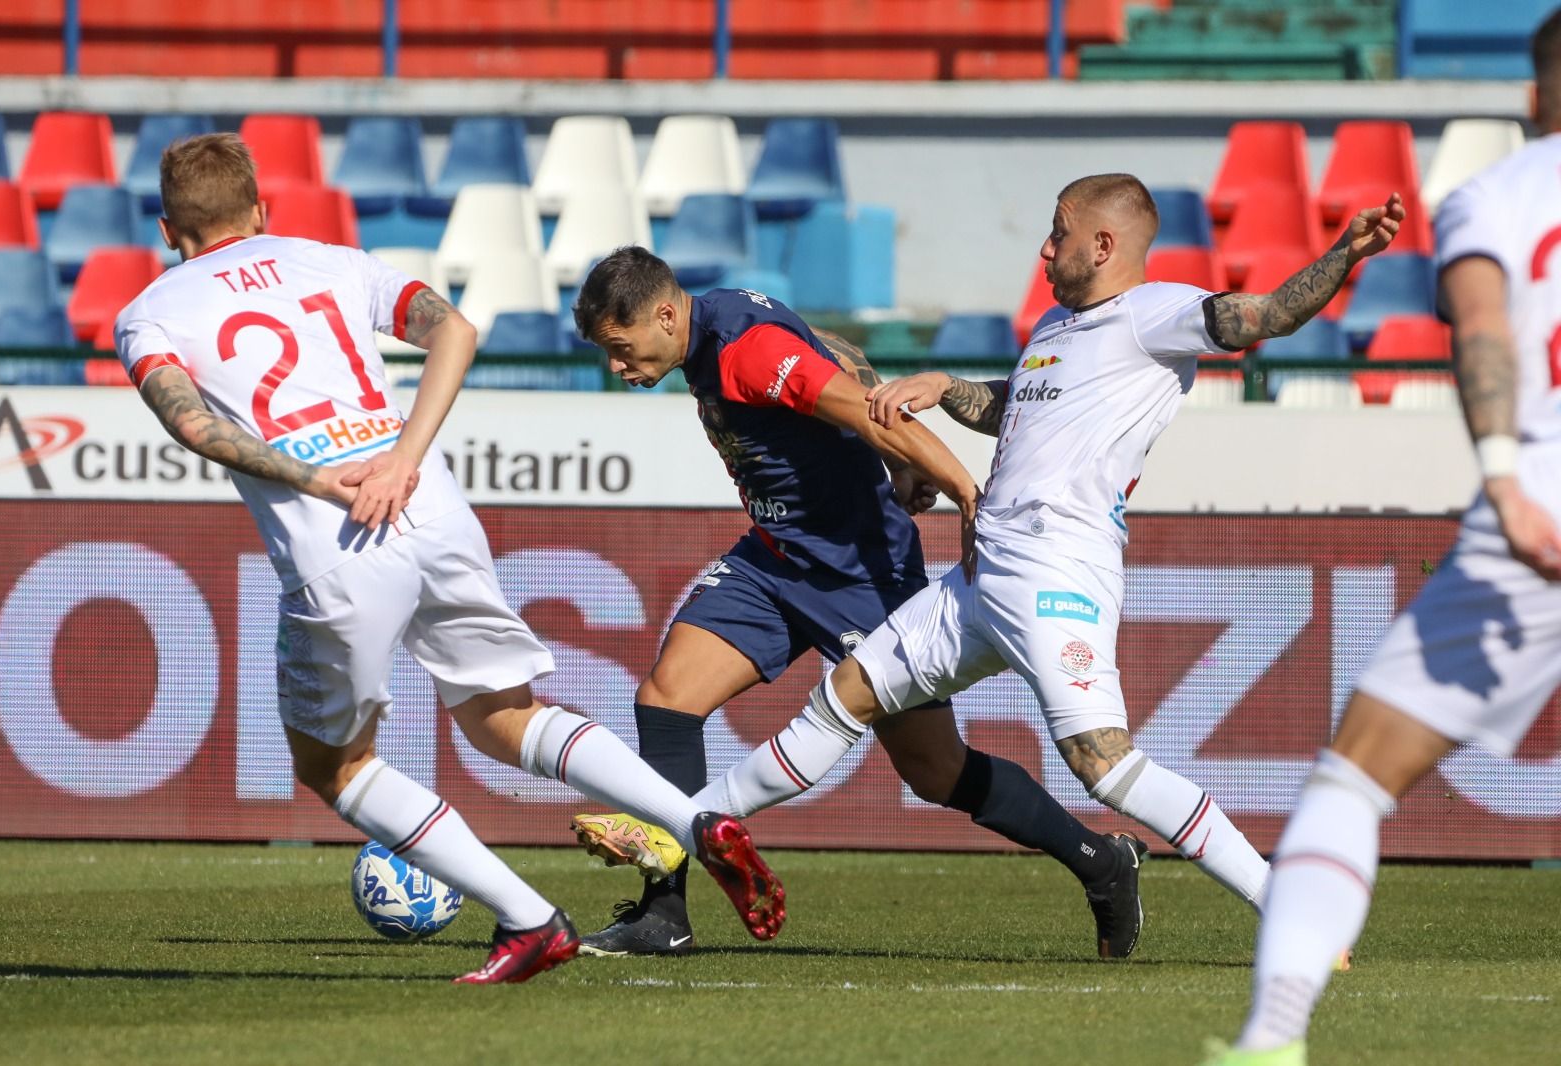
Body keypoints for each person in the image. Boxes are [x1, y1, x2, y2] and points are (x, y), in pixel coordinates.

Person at [112, 133, 784, 985]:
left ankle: (530, 920)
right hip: (433, 508)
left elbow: (193, 424)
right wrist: (403, 458)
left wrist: (320, 480)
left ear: (168, 229)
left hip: (338, 540)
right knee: (507, 715)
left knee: (335, 765)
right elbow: (456, 330)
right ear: (260, 209)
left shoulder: (150, 312)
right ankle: (695, 823)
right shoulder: (333, 262)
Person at [688, 174, 1404, 927]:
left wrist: (1344, 254)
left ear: (1104, 245)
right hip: (980, 576)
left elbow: (1269, 314)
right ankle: (681, 823)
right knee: (846, 694)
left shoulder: (1154, 316)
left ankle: (1291, 910)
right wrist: (945, 386)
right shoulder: (1057, 328)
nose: (1045, 247)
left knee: (1105, 765)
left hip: (1054, 567)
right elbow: (1017, 408)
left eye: (1059, 233)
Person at [568, 246, 1146, 959]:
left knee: (935, 771)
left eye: (621, 348)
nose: (617, 366)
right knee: (666, 699)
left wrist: (964, 492)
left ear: (663, 314)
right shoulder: (717, 322)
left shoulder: (746, 349)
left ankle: (1101, 861)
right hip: (774, 559)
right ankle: (665, 916)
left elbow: (870, 412)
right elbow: (836, 354)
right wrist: (900, 468)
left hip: (860, 573)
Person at [1207, 11, 1561, 1065]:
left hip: (1537, 508)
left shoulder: (1493, 197)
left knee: (1354, 781)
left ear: (1533, 94)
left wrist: (1504, 479)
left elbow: (1483, 333)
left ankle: (1272, 1037)